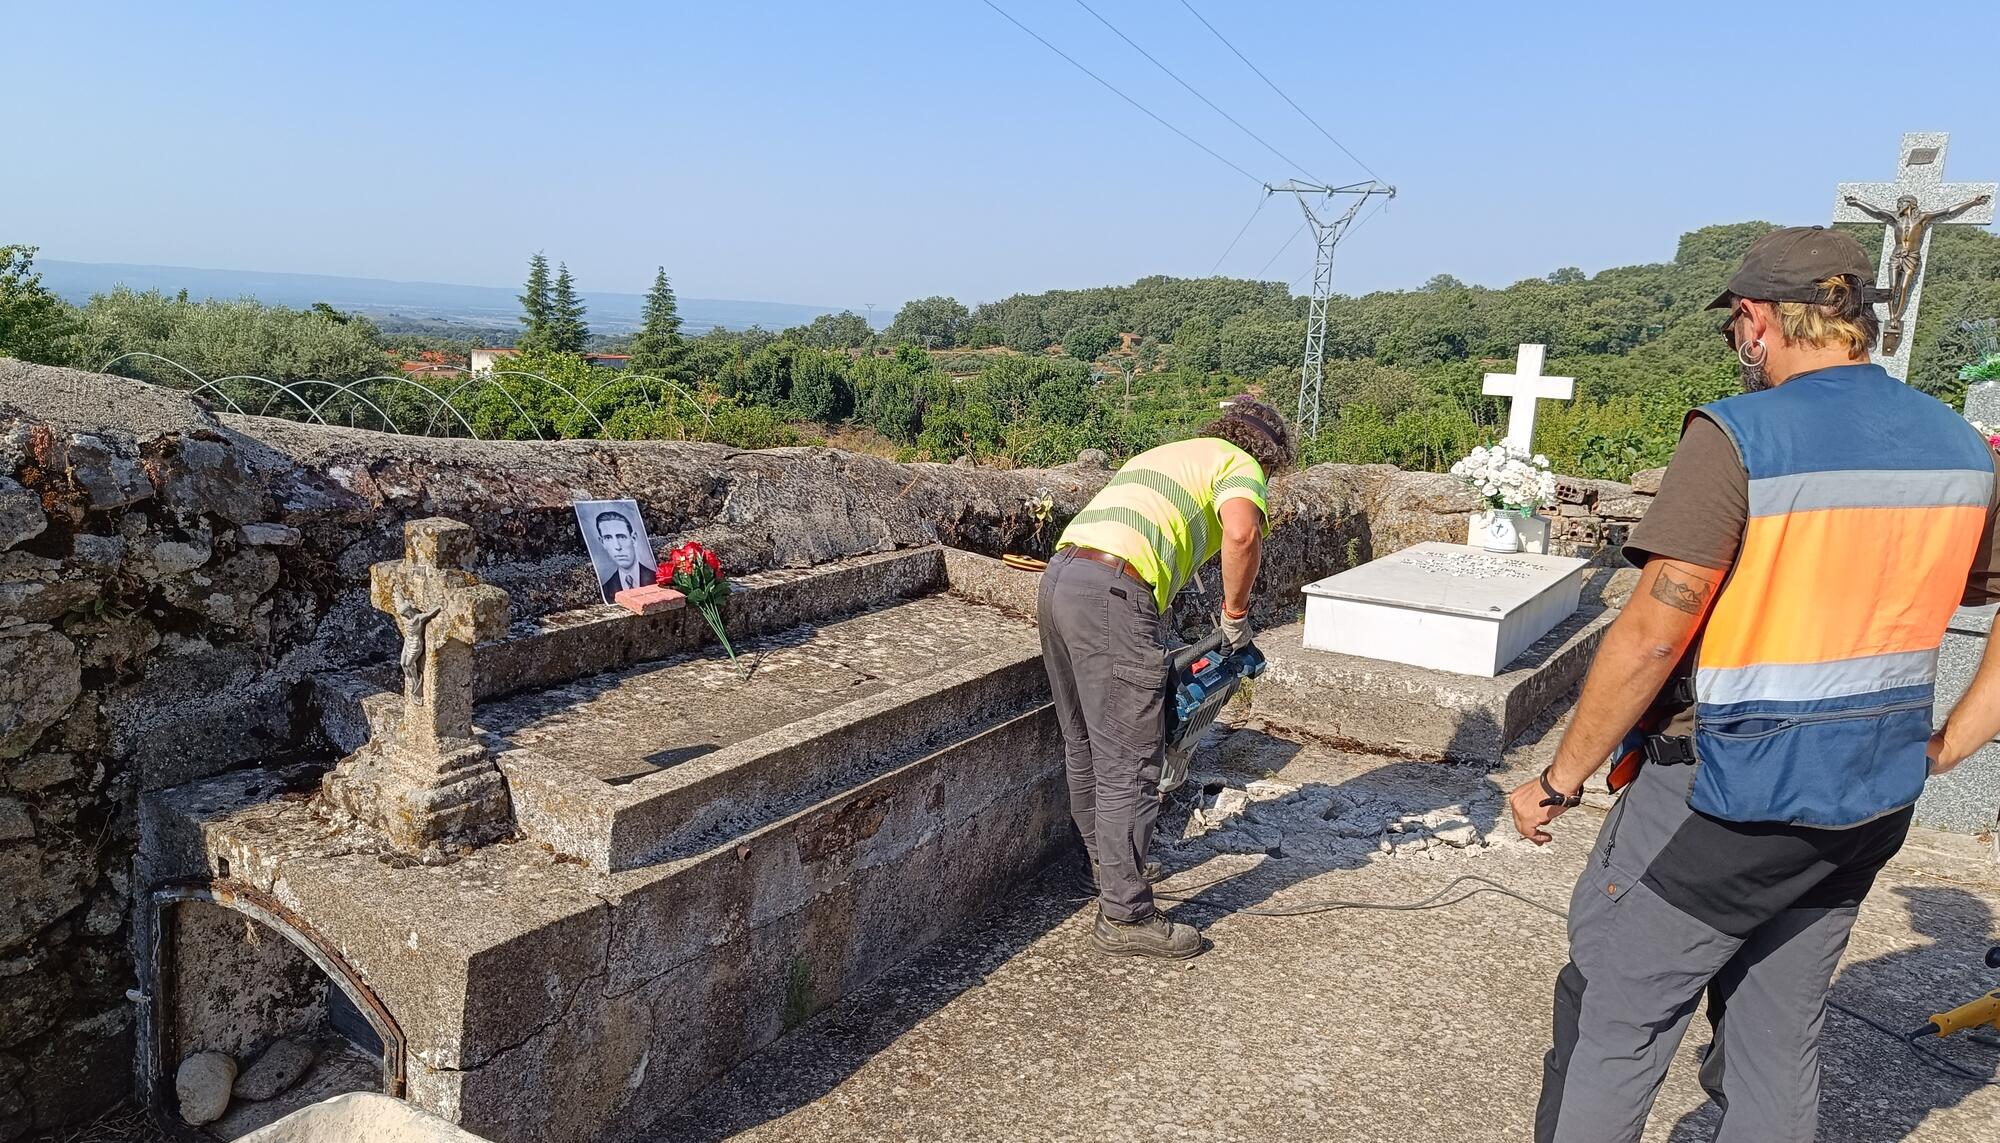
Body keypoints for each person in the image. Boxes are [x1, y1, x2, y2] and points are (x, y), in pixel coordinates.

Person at [1512, 226, 2000, 1143]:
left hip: (1729, 793)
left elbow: (1655, 633)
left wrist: (1556, 779)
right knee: (1778, 1036)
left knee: (1616, 1016)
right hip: (1870, 796)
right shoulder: (1962, 450)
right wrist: (1951, 742)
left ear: (1757, 318)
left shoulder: (1742, 435)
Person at [1037, 396, 1296, 959]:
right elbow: (1242, 535)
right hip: (1114, 591)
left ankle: (1107, 874)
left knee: (1084, 747)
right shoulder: (1239, 465)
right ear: (1270, 457)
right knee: (1130, 761)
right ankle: (1126, 916)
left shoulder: (1170, 453)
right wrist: (1234, 615)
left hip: (1063, 577)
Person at [595, 509, 656, 603]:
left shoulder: (655, 577)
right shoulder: (606, 588)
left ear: (634, 539)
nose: (617, 547)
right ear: (602, 542)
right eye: (608, 538)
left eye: (621, 537)